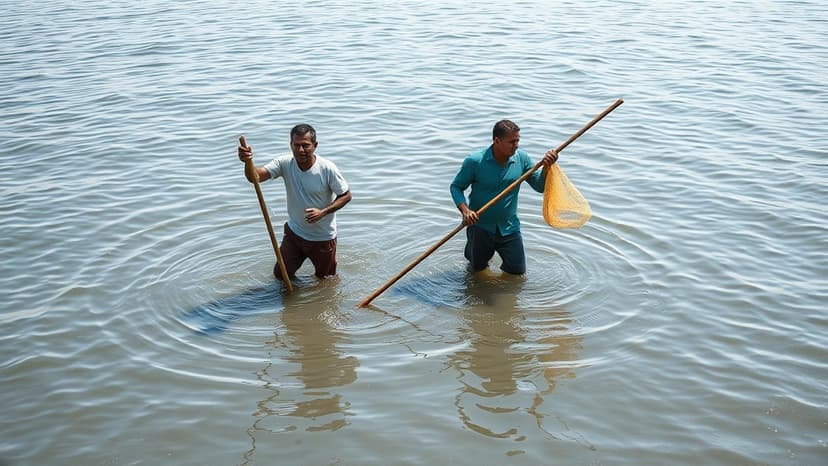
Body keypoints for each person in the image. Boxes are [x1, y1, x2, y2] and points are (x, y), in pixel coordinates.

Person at [238, 124, 351, 281]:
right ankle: (294, 295)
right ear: (290, 145)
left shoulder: (327, 168)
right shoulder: (284, 163)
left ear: (315, 145)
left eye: (306, 145)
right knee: (281, 275)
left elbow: (346, 195)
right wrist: (247, 162)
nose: (301, 150)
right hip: (295, 233)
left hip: (322, 237)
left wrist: (322, 212)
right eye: (296, 145)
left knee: (326, 280)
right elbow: (255, 177)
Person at [450, 119, 558, 275]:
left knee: (517, 272)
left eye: (518, 141)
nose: (516, 145)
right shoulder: (475, 161)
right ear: (496, 141)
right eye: (512, 142)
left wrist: (547, 167)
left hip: (509, 227)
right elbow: (456, 187)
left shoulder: (522, 159)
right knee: (477, 271)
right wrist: (465, 211)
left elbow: (540, 187)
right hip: (480, 227)